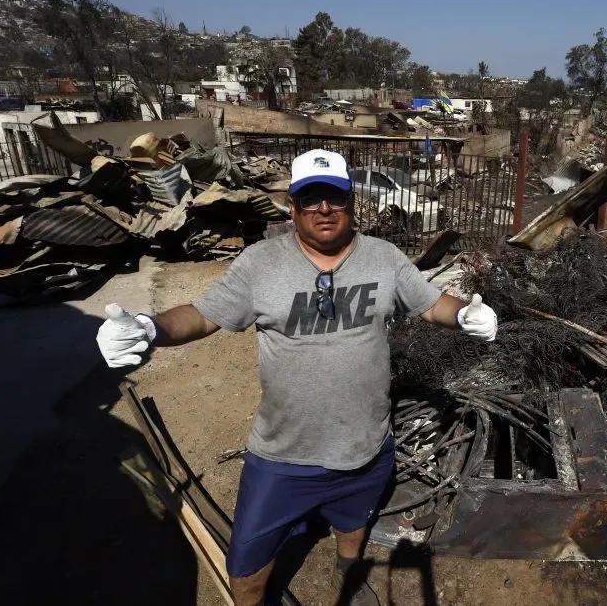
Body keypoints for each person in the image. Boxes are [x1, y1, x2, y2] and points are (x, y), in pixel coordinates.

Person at [96, 149, 498, 606]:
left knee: (353, 521)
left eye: (334, 197)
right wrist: (150, 328)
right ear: (293, 206)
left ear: (351, 202)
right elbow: (204, 316)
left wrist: (464, 314)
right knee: (246, 568)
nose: (323, 209)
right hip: (284, 454)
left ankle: (348, 568)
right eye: (310, 199)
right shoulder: (261, 263)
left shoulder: (384, 258)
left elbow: (428, 302)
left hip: (365, 441)